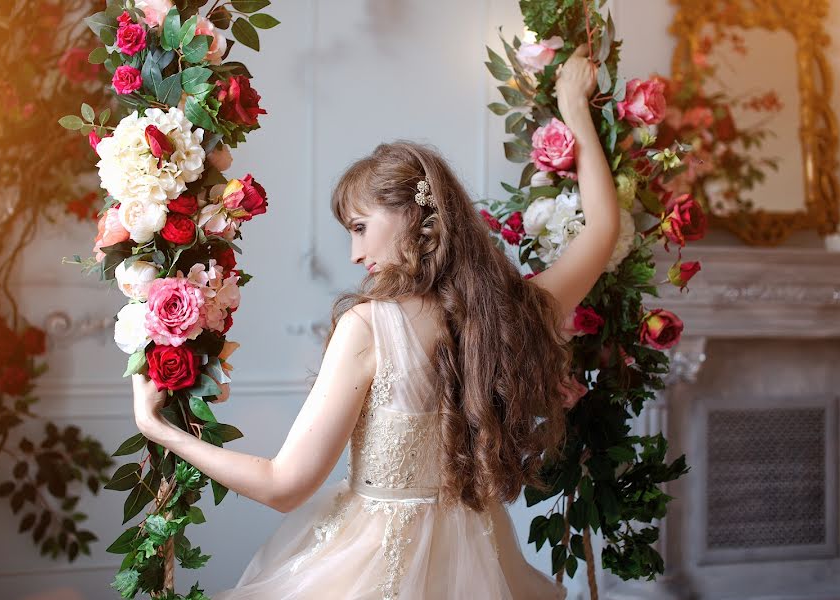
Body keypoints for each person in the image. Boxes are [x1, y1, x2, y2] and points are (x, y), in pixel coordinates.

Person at [131, 43, 620, 599]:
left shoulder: (370, 327)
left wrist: (161, 431)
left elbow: (285, 486)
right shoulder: (517, 311)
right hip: (483, 559)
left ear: (413, 215)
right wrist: (574, 106)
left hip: (374, 571)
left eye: (360, 227)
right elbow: (602, 229)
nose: (354, 254)